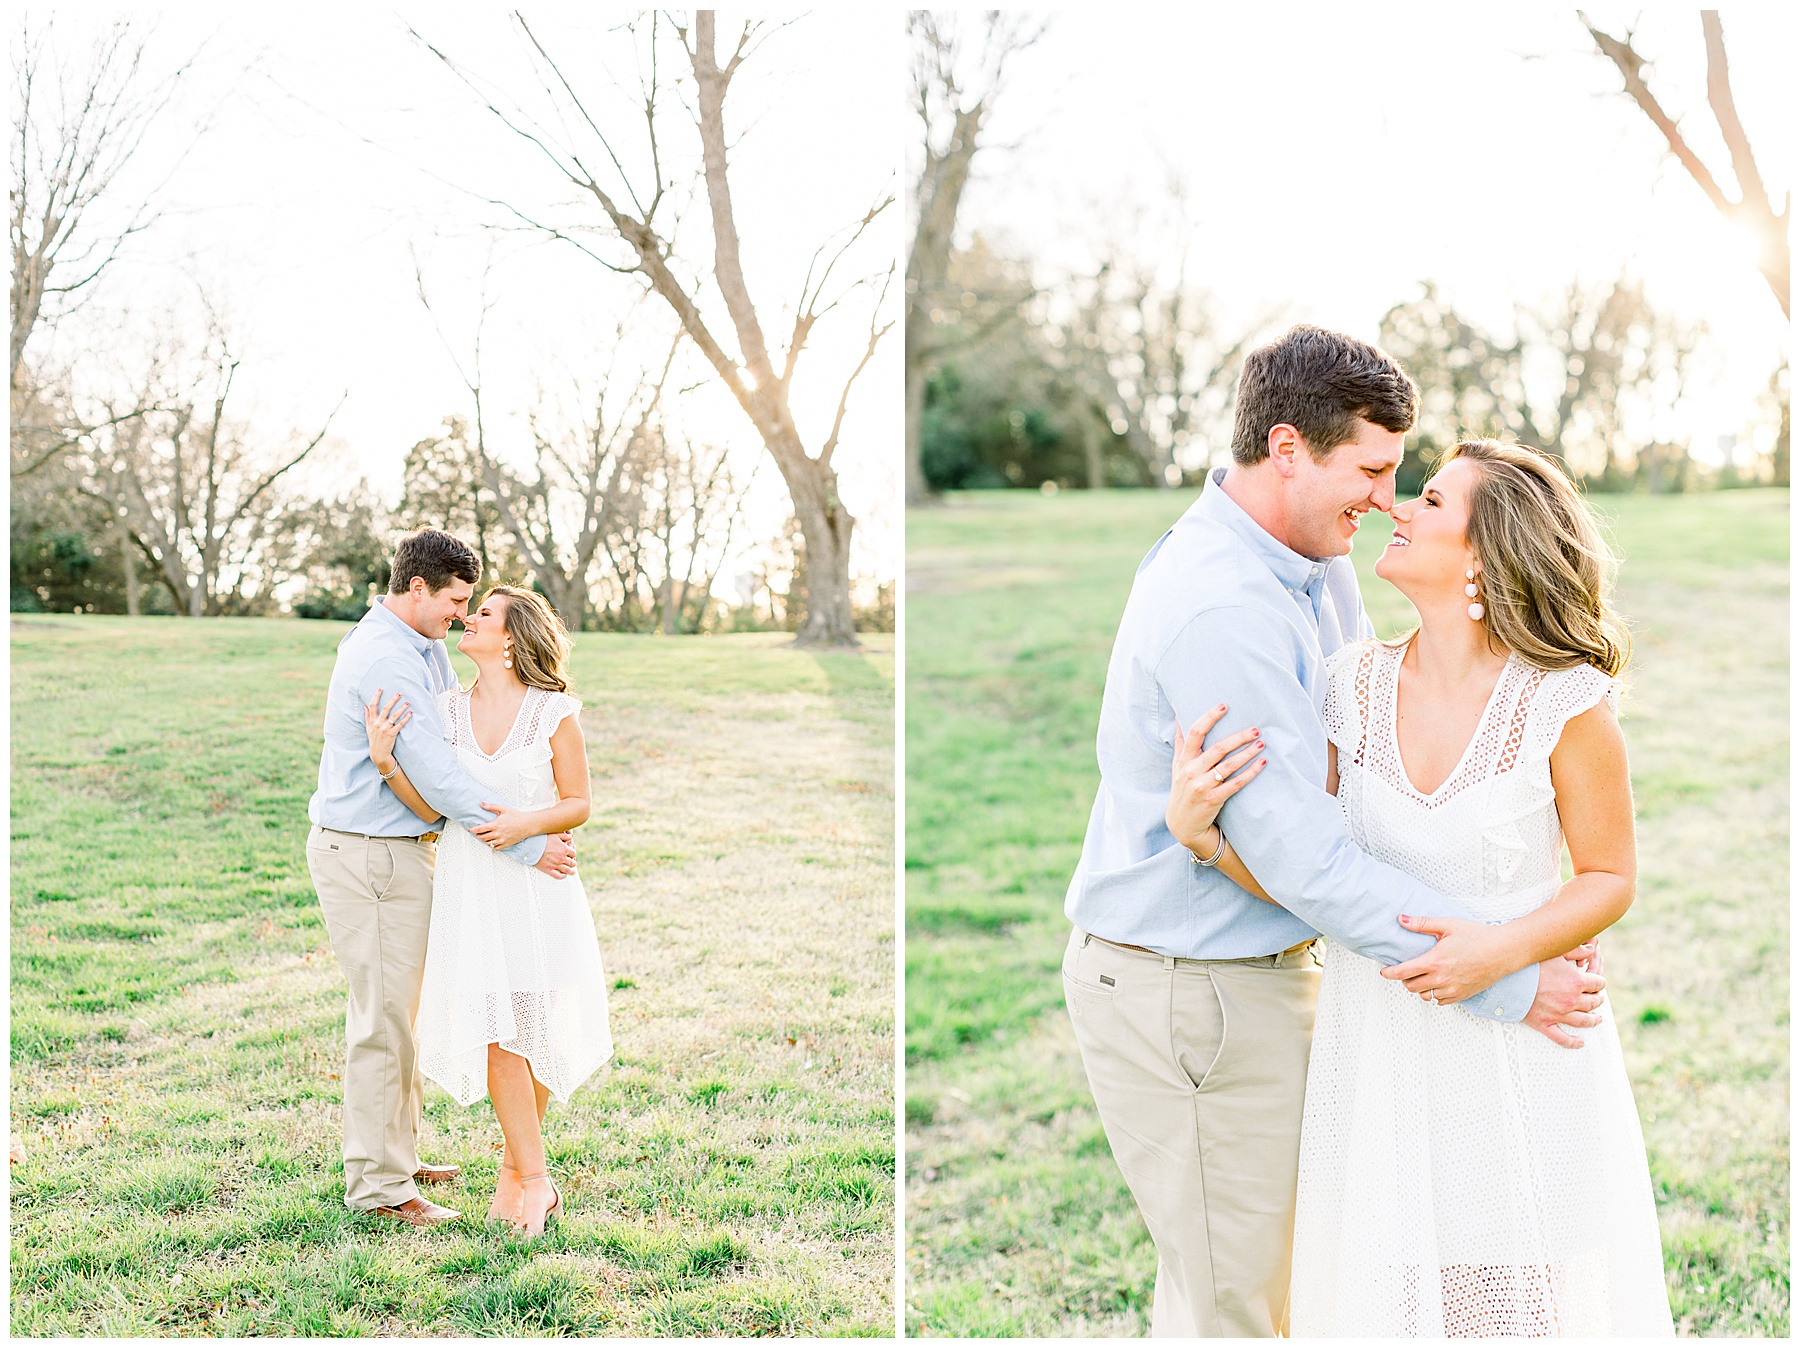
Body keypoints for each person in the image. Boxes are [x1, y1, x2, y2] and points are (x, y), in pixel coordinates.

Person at [1060, 327, 1605, 1336]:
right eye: (1374, 470)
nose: (1389, 500)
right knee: (1250, 1303)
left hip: (1290, 975)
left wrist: (1212, 838)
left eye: (1408, 478)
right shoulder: (1223, 603)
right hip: (1193, 990)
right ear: (1287, 450)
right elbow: (1308, 858)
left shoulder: (1317, 564)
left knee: (1290, 1277)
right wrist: (1510, 972)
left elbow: (1357, 782)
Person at [1168, 439, 1672, 1335]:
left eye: (1430, 500)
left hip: (1517, 1054)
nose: (1398, 507)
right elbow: (1311, 872)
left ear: (1484, 552)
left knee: (1512, 1316)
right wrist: (1202, 838)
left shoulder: (1564, 703)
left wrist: (1505, 952)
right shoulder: (1347, 685)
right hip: (1380, 1052)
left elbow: (1609, 876)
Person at [306, 529, 577, 1229]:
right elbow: (444, 777)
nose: (463, 615)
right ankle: (380, 1186)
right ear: (418, 588)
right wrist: (526, 845)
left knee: (404, 1014)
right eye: (457, 601)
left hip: (407, 848)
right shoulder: (385, 658)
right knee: (383, 1022)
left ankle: (393, 1150)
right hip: (368, 852)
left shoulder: (421, 644)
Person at [363, 584, 612, 1238]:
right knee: (502, 1033)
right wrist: (388, 763)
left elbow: (579, 801)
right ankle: (537, 1183)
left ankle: (515, 1172)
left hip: (540, 892)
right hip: (474, 889)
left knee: (536, 1032)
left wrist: (528, 826)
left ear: (510, 639)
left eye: (484, 615)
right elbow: (433, 810)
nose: (468, 620)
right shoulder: (445, 712)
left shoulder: (554, 712)